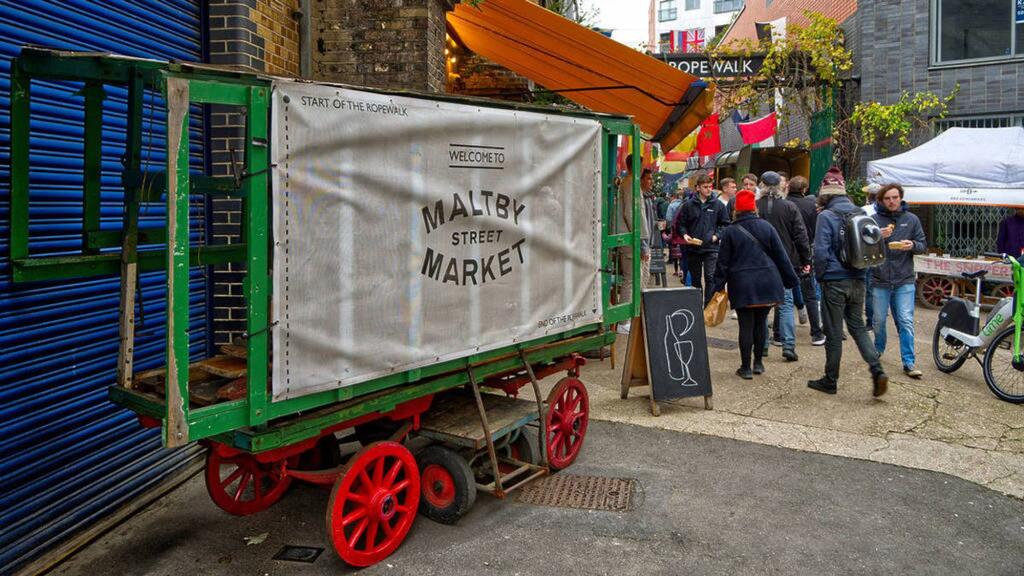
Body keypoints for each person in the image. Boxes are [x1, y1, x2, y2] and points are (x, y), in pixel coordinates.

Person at [808, 167, 889, 397]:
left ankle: (830, 380)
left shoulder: (826, 216)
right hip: (858, 278)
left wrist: (820, 276)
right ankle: (877, 369)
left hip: (834, 280)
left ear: (825, 194)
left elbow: (821, 251)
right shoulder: (861, 214)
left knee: (833, 333)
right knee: (859, 327)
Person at [714, 190, 799, 379]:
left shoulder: (730, 231)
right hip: (768, 282)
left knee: (745, 326)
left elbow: (723, 263)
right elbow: (781, 256)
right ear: (754, 208)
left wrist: (717, 287)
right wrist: (791, 280)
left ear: (736, 209)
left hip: (742, 284)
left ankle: (745, 368)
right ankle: (758, 363)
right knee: (761, 323)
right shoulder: (767, 227)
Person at [871, 183, 927, 379]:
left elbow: (922, 245)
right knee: (878, 321)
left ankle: (909, 362)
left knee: (905, 320)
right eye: (887, 198)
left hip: (904, 279)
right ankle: (878, 348)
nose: (892, 201)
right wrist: (878, 236)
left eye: (895, 197)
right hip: (879, 279)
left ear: (901, 198)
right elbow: (865, 247)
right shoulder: (873, 220)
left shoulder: (911, 220)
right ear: (881, 200)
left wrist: (912, 245)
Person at [756, 171, 811, 362]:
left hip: (759, 264)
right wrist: (806, 260)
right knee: (786, 304)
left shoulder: (755, 207)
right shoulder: (789, 207)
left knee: (762, 306)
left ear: (761, 186)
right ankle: (788, 345)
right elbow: (800, 236)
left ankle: (762, 344)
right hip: (785, 262)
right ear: (781, 187)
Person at [677, 172, 730, 306]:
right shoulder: (688, 205)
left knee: (710, 277)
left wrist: (716, 236)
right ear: (698, 188)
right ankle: (696, 305)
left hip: (711, 247)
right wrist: (685, 235)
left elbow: (725, 224)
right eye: (705, 187)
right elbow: (681, 224)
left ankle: (708, 306)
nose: (708, 189)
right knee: (695, 278)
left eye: (710, 186)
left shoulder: (717, 205)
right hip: (693, 247)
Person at [786, 176, 826, 346]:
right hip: (805, 251)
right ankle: (816, 332)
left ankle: (781, 334)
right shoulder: (813, 206)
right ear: (804, 189)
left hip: (786, 252)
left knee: (785, 295)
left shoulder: (783, 204)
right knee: (810, 294)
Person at [616, 154, 649, 333]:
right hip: (631, 238)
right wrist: (642, 241)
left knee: (633, 278)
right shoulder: (630, 183)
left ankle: (628, 318)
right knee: (631, 279)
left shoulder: (628, 182)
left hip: (631, 236)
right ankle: (623, 321)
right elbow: (632, 213)